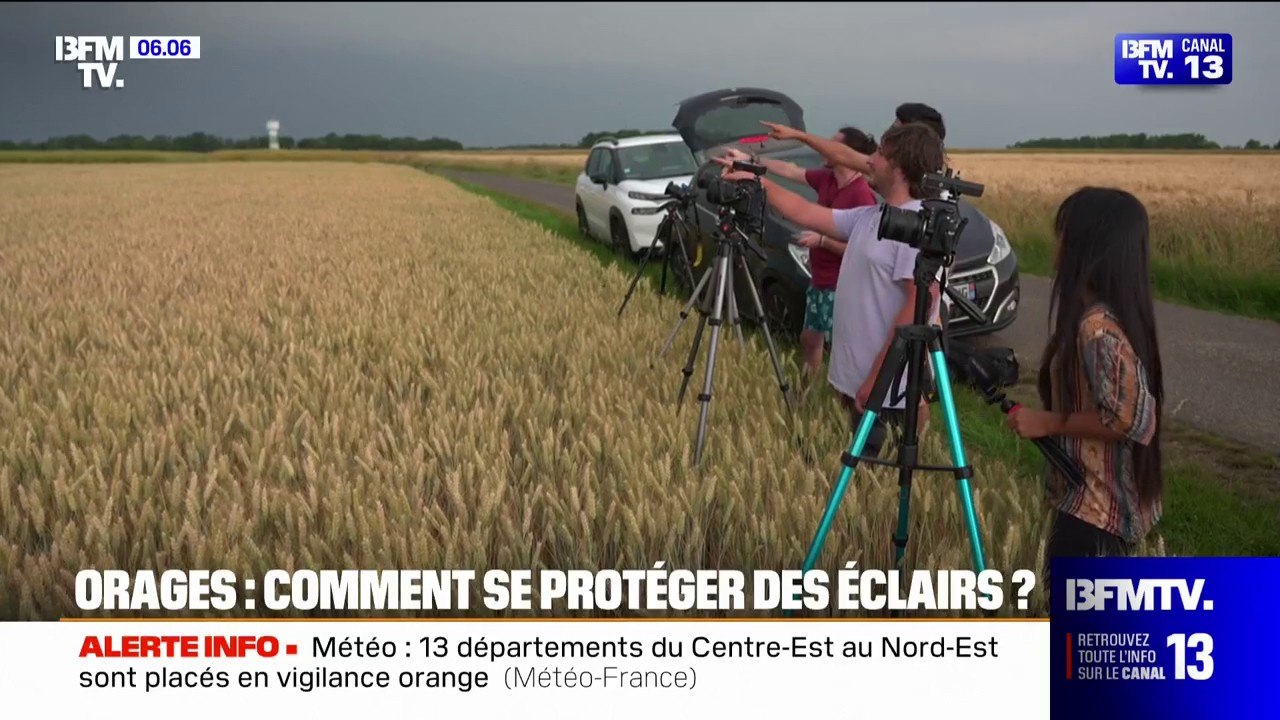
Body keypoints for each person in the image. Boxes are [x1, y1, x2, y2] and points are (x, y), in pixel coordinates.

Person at [718, 122, 945, 457]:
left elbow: (918, 306)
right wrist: (756, 179)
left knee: (881, 474)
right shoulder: (874, 216)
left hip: (886, 386)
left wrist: (877, 380)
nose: (870, 161)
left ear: (898, 167)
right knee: (866, 474)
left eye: (880, 154)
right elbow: (805, 211)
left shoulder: (915, 227)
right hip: (862, 380)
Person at [1004, 187, 1164, 575]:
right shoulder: (1107, 315)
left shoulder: (1095, 329)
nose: (1055, 243)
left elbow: (1130, 419)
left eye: (1063, 233)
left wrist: (1048, 422)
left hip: (1094, 515)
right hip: (1098, 505)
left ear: (1086, 246)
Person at [717, 127, 879, 386]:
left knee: (846, 349)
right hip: (820, 280)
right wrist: (751, 161)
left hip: (843, 286)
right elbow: (791, 171)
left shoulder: (861, 195)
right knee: (809, 339)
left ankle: (849, 397)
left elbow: (865, 250)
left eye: (832, 144)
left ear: (848, 154)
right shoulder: (827, 178)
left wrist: (823, 240)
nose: (823, 148)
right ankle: (808, 393)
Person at [757, 102, 947, 177]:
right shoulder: (896, 171)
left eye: (897, 129)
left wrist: (799, 135)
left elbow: (842, 155)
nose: (890, 134)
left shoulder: (897, 175)